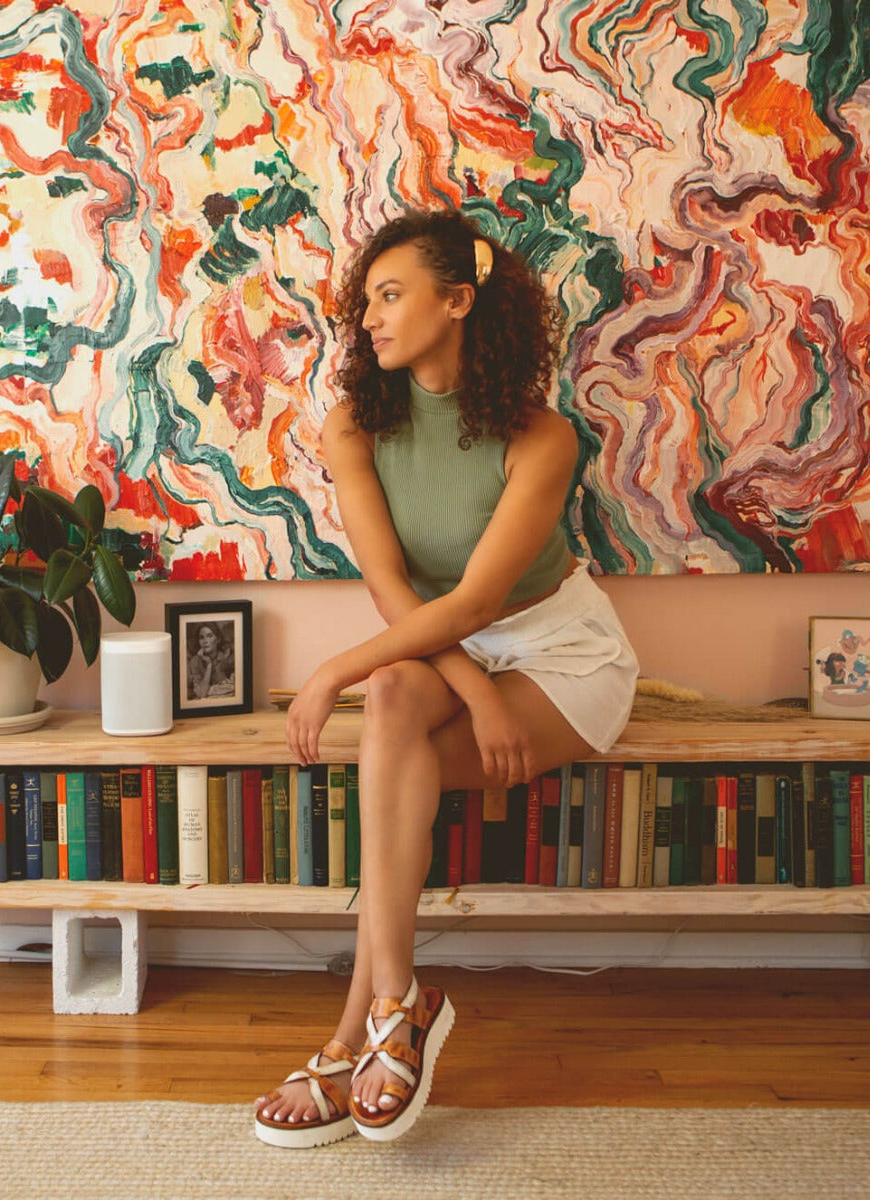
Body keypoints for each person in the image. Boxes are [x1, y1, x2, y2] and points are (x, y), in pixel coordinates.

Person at [253, 209, 639, 1148]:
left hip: (560, 653)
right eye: (367, 301)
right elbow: (396, 594)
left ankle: (357, 1033)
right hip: (437, 652)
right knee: (390, 700)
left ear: (458, 301)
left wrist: (329, 672)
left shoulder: (542, 438)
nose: (370, 319)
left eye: (391, 296)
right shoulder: (355, 423)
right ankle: (397, 1006)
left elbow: (470, 603)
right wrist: (465, 691)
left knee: (378, 715)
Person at [187, 622, 235, 700]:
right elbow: (201, 694)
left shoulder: (225, 658)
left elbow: (227, 689)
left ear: (218, 639)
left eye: (209, 636)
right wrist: (209, 665)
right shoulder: (194, 662)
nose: (205, 641)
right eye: (201, 637)